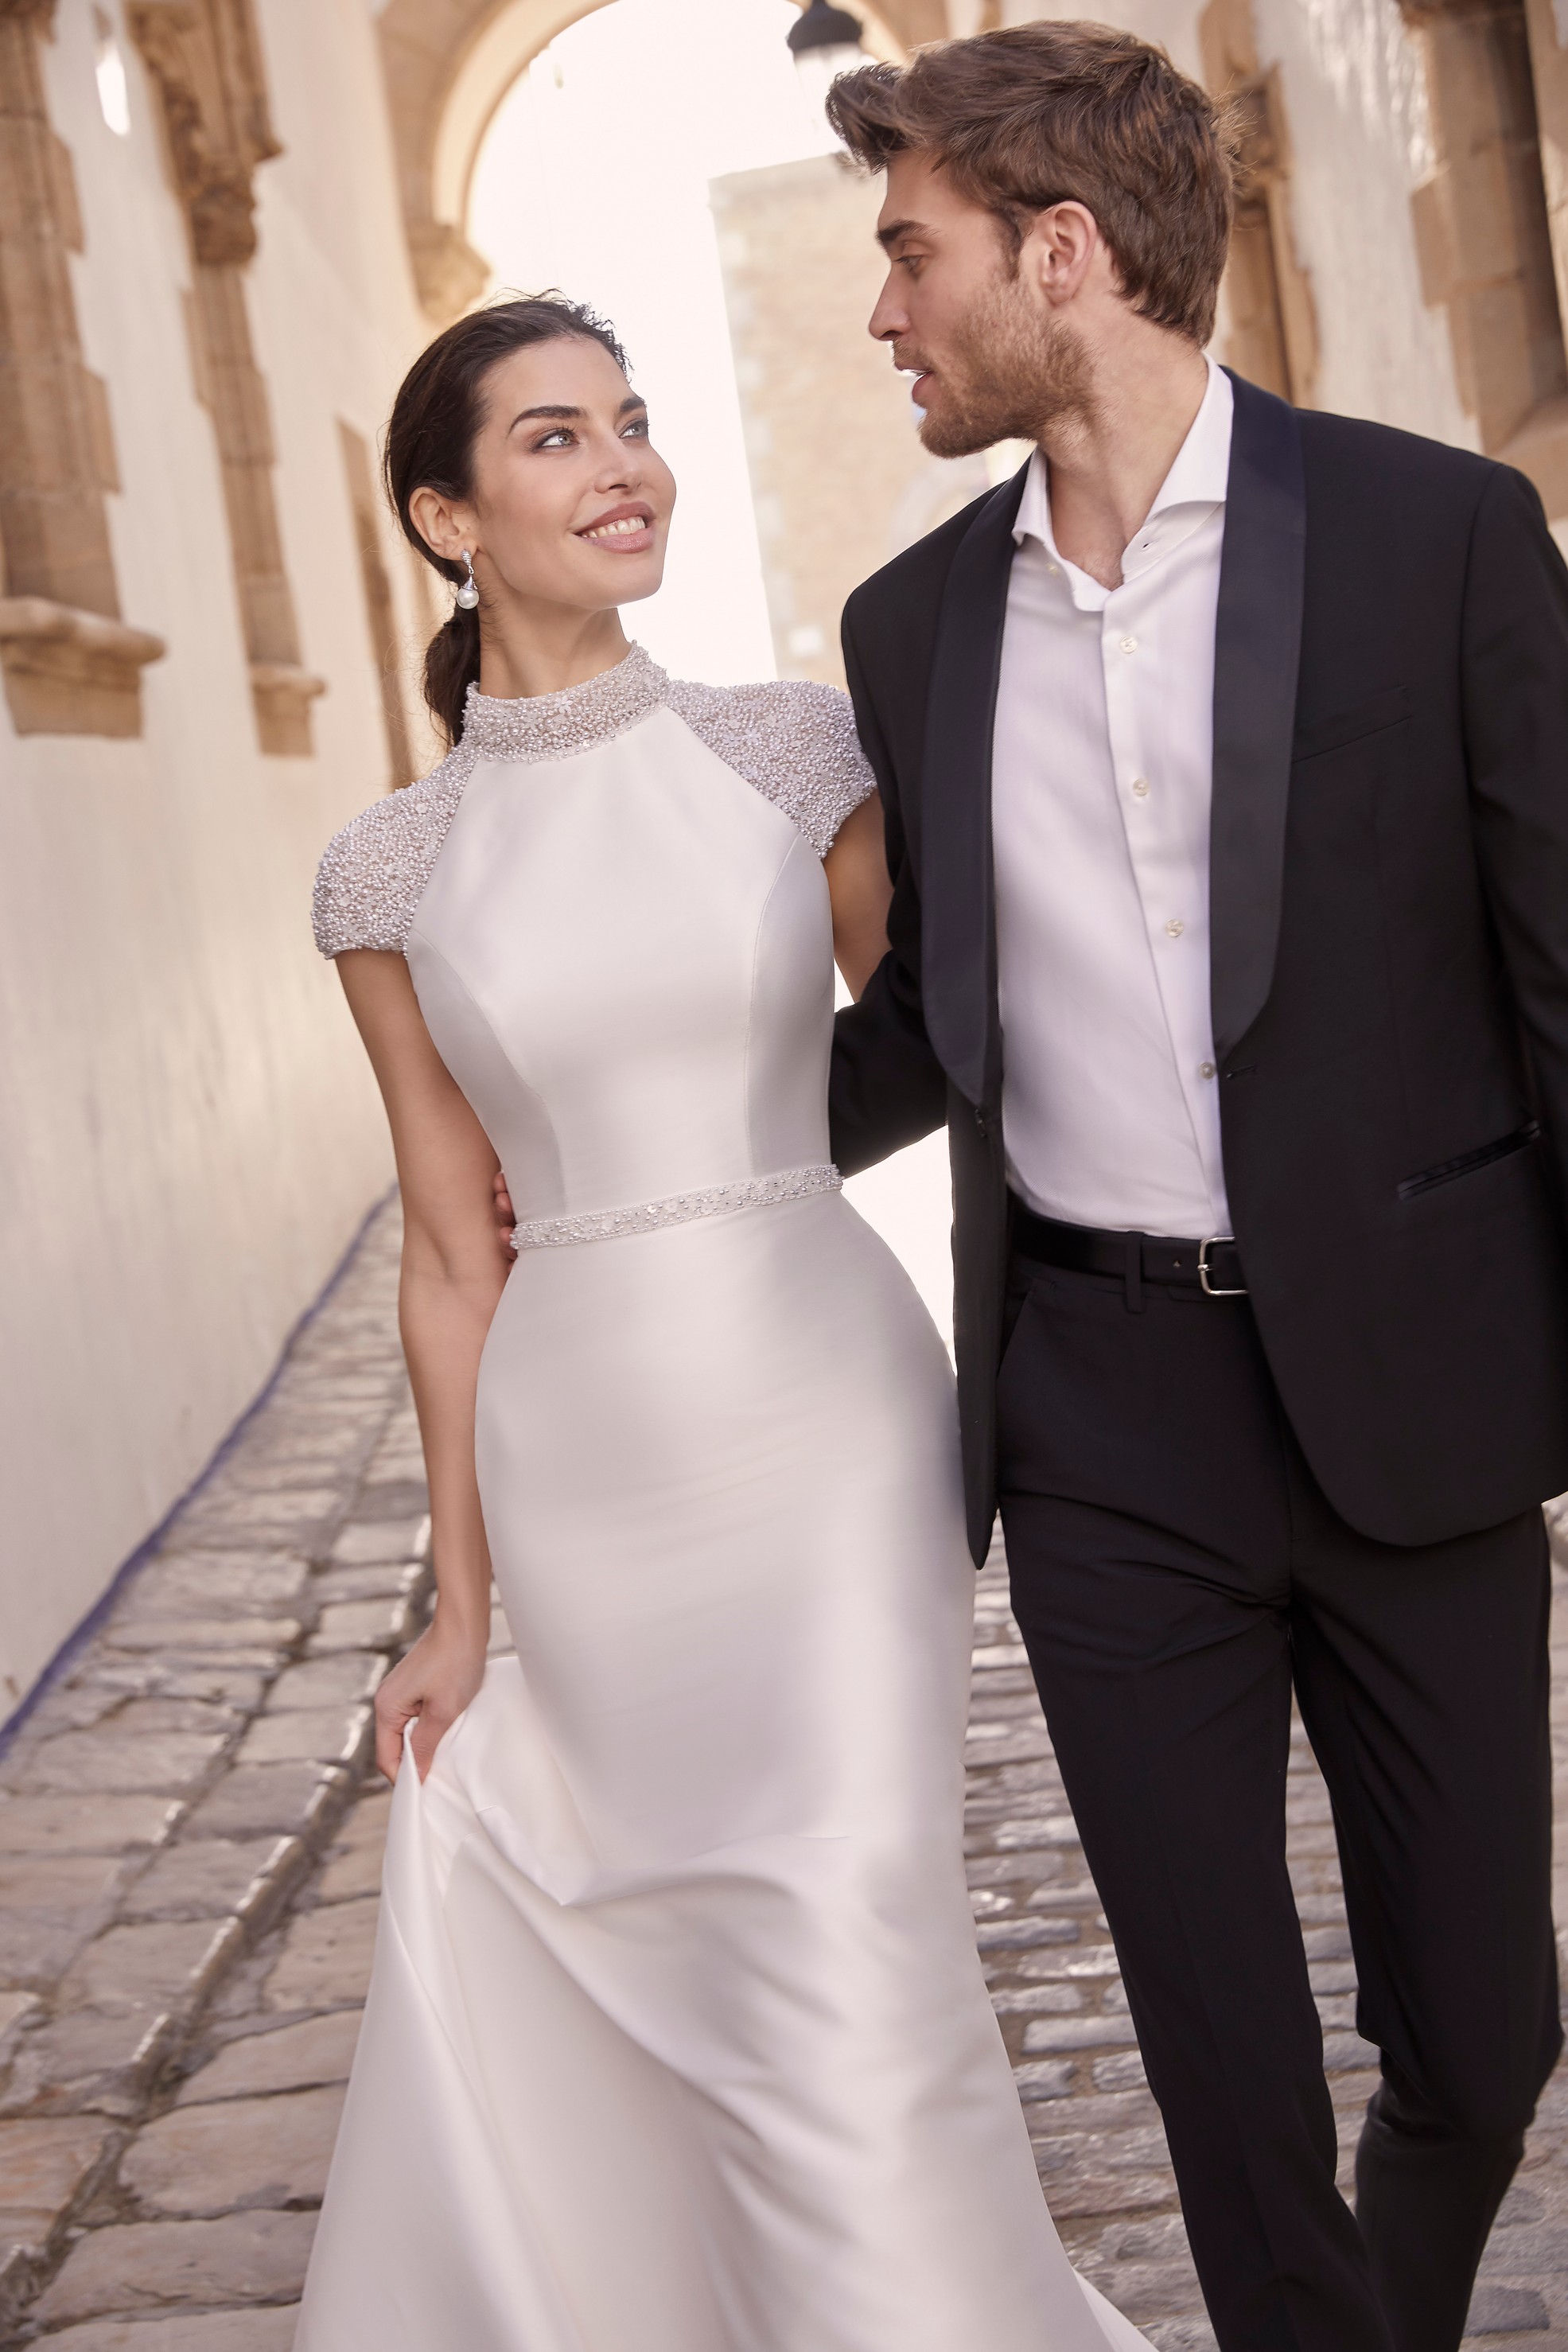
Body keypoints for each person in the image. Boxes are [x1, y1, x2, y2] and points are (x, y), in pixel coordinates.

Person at [294, 292, 1146, 2351]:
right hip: (584, 1461)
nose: (625, 469)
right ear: (444, 517)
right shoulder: (386, 871)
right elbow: (446, 1248)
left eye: (636, 425)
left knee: (850, 1917)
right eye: (557, 440)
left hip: (828, 1413)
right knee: (664, 1948)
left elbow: (922, 1024)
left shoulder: (793, 754)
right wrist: (462, 1599)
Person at [823, 24, 1568, 2352]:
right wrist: (639, 1146)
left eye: (907, 253)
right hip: (1101, 1412)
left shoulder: (1438, 534)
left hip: (1413, 1386)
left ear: (1061, 254)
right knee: (1220, 2056)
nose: (882, 314)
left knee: (1482, 2031)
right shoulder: (910, 627)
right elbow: (930, 1017)